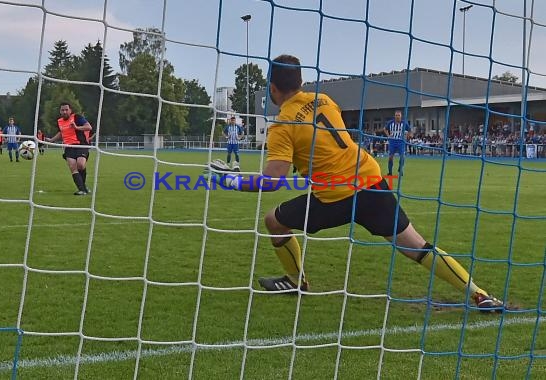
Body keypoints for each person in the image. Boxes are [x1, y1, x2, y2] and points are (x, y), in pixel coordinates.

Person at [203, 54, 505, 313]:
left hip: (335, 197)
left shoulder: (283, 125)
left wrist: (230, 180)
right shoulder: (324, 99)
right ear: (301, 81)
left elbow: (271, 182)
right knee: (417, 246)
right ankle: (479, 294)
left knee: (274, 220)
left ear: (271, 87)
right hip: (371, 180)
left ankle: (297, 282)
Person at [46, 102, 92, 195]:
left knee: (81, 165)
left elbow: (89, 127)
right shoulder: (59, 121)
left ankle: (83, 186)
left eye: (66, 110)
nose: (64, 112)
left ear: (70, 110)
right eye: (62, 110)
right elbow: (61, 133)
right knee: (72, 167)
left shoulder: (77, 117)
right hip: (68, 147)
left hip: (81, 145)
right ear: (60, 111)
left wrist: (77, 127)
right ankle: (82, 189)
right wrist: (51, 140)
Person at [384, 110, 411, 176]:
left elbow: (409, 130)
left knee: (402, 157)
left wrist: (406, 137)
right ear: (394, 116)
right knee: (390, 157)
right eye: (396, 115)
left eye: (398, 115)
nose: (397, 117)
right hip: (392, 141)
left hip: (401, 142)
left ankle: (400, 169)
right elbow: (385, 129)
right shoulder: (390, 123)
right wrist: (388, 135)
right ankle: (390, 172)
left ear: (401, 116)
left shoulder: (404, 123)